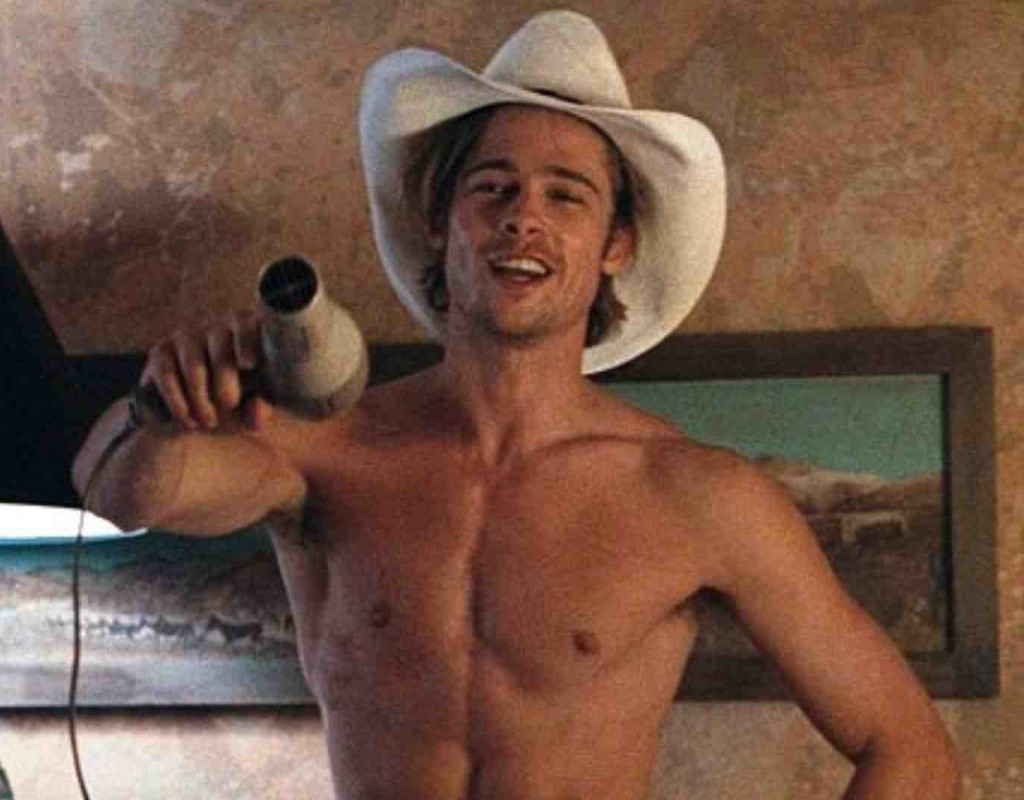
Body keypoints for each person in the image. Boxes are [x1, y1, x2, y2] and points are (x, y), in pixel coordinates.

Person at [72, 10, 959, 799]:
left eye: (565, 195)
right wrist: (164, 402)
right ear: (439, 221)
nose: (522, 217)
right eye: (491, 187)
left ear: (615, 244)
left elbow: (912, 753)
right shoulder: (324, 449)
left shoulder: (699, 495)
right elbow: (122, 492)